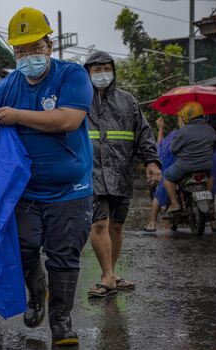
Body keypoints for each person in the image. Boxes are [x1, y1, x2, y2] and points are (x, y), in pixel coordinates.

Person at [0, 7, 94, 346]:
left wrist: (17, 115)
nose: (28, 55)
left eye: (34, 47)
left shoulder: (72, 76)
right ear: (13, 52)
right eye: (21, 50)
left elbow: (68, 120)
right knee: (23, 247)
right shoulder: (6, 87)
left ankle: (61, 321)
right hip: (26, 192)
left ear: (49, 44)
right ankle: (37, 291)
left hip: (71, 190)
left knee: (64, 254)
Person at [83, 51, 161, 298]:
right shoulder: (79, 101)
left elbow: (144, 133)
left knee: (116, 226)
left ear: (113, 70)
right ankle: (107, 275)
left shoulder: (128, 102)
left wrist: (152, 161)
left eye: (106, 68)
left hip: (120, 172)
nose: (102, 74)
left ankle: (112, 273)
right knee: (99, 223)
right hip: (90, 171)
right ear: (88, 73)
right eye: (96, 70)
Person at [163, 102, 216, 213]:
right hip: (205, 166)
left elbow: (173, 150)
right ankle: (209, 201)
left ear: (187, 116)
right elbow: (215, 148)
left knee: (166, 176)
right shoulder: (210, 130)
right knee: (210, 174)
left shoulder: (183, 131)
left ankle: (174, 204)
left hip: (184, 167)